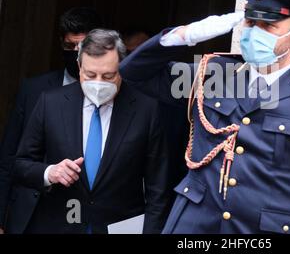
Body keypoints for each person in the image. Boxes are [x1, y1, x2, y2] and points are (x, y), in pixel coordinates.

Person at [120, 0, 290, 234]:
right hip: (196, 227)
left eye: (267, 26)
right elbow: (134, 73)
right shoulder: (215, 75)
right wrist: (183, 35)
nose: (255, 32)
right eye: (251, 23)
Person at [13, 29, 171, 234]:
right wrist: (50, 172)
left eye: (108, 76)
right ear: (79, 67)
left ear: (122, 68)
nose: (98, 83)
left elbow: (158, 190)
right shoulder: (50, 103)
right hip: (59, 225)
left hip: (119, 228)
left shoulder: (146, 110)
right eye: (90, 75)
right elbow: (20, 164)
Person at [0, 7, 103, 234]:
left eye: (82, 47)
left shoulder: (116, 95)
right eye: (69, 47)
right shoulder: (33, 90)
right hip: (30, 212)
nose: (75, 54)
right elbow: (9, 157)